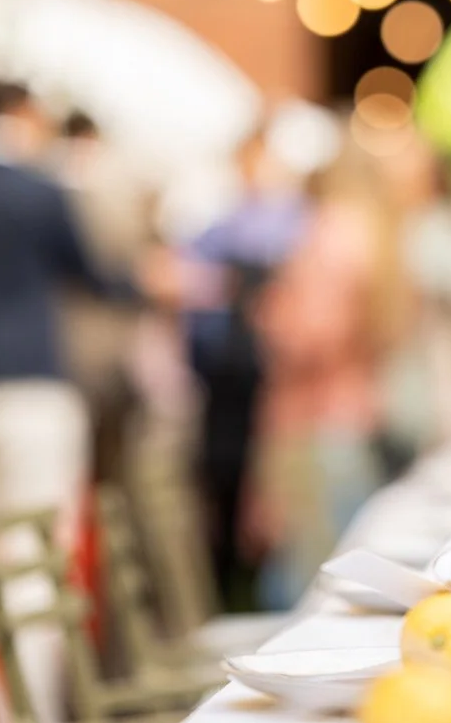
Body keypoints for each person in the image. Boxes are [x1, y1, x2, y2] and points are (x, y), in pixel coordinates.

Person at [0, 84, 137, 723]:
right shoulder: (40, 191)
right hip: (33, 391)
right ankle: (33, 719)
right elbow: (99, 279)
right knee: (35, 560)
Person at [253, 140, 410, 605]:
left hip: (314, 420)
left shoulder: (332, 232)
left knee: (311, 587)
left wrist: (271, 312)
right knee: (350, 573)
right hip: (356, 414)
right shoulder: (382, 233)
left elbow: (312, 338)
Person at [182, 125, 308, 611]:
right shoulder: (221, 226)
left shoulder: (290, 223)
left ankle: (259, 586)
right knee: (225, 479)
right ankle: (230, 588)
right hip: (226, 378)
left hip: (268, 375)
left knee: (269, 480)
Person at [51, 111, 155, 486]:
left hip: (73, 351)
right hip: (111, 348)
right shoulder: (121, 190)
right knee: (111, 471)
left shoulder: (50, 184)